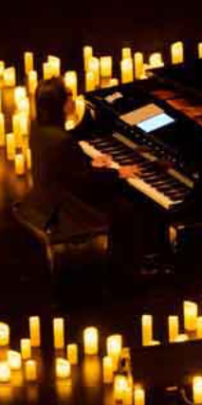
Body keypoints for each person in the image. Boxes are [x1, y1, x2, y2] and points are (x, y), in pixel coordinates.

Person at [27, 77, 147, 281]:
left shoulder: (37, 127)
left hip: (45, 196)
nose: (73, 100)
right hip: (64, 209)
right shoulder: (63, 140)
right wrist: (119, 173)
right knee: (125, 207)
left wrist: (88, 163)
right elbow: (86, 184)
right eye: (69, 95)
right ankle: (125, 272)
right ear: (62, 103)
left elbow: (63, 168)